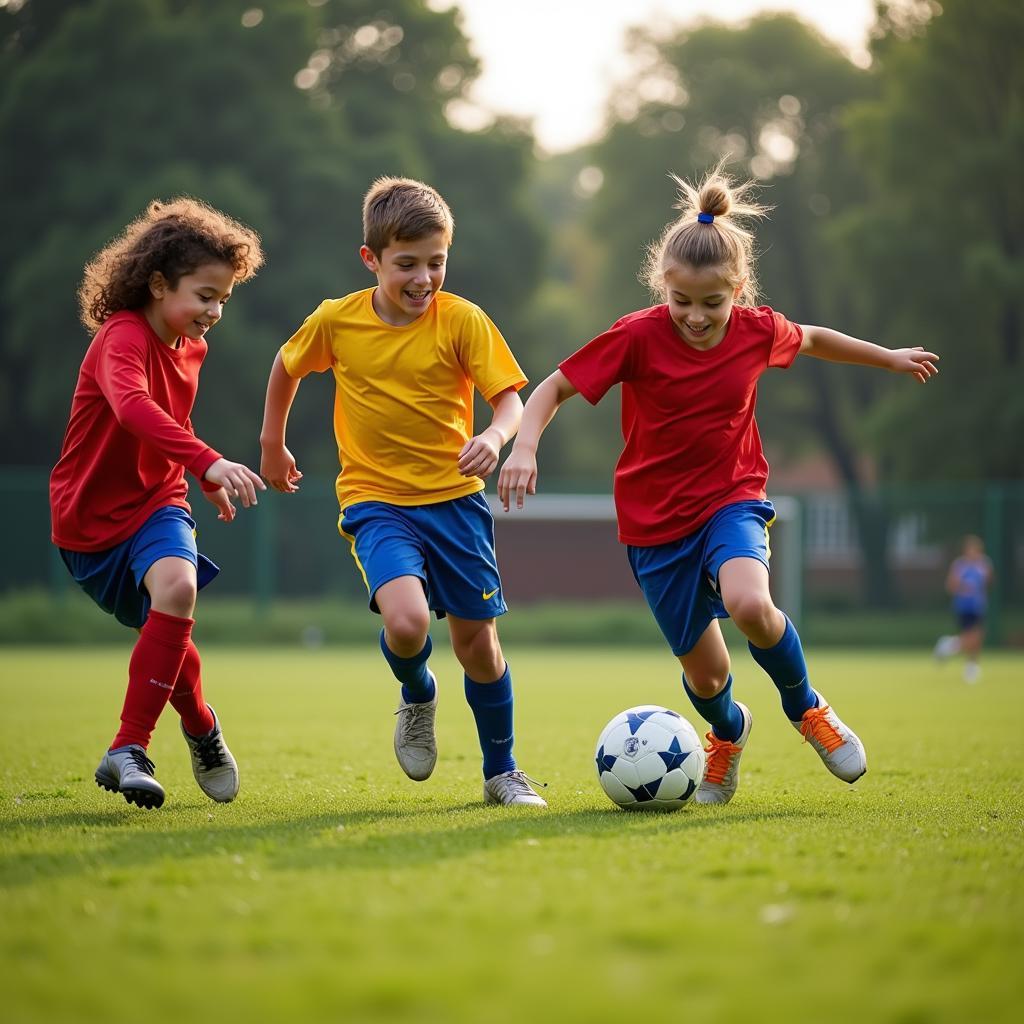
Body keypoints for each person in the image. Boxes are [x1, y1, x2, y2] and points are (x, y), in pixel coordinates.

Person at [498, 165, 940, 805]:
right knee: (708, 678)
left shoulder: (757, 331)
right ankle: (727, 737)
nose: (697, 317)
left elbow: (813, 338)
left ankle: (808, 708)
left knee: (750, 604)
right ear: (663, 288)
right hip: (653, 526)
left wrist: (888, 357)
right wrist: (527, 445)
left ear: (739, 291)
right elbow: (555, 387)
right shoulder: (637, 336)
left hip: (732, 498)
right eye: (682, 303)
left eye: (713, 303)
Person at [259, 176, 546, 807]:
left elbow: (509, 401)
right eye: (406, 264)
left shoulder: (463, 320)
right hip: (376, 502)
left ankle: (502, 772)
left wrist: (496, 439)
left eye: (436, 262)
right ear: (372, 260)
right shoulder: (338, 320)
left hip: (456, 502)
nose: (423, 278)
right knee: (408, 621)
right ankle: (417, 692)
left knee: (478, 647)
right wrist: (271, 444)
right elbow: (286, 366)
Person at [50, 198, 266, 810]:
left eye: (223, 298)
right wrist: (207, 458)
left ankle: (128, 748)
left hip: (158, 502)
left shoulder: (191, 346)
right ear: (157, 283)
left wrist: (199, 478)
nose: (214, 311)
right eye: (203, 295)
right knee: (164, 629)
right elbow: (133, 408)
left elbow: (171, 418)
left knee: (176, 589)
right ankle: (201, 725)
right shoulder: (122, 336)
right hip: (88, 520)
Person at [933, 534, 993, 683]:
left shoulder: (984, 564)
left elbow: (988, 583)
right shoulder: (959, 565)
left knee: (977, 638)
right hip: (963, 606)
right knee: (970, 637)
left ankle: (969, 665)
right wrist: (964, 588)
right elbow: (951, 585)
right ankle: (949, 647)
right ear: (966, 550)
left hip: (978, 606)